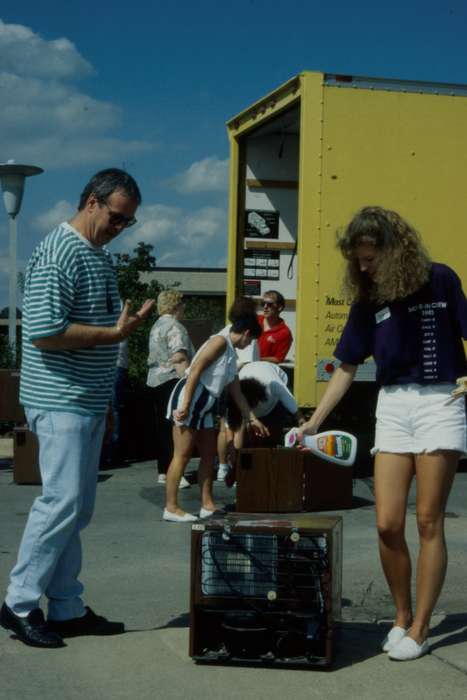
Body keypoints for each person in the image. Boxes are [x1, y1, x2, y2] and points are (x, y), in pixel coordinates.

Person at [298, 206, 467, 661]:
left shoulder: (442, 279)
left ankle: (421, 626)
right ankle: (401, 615)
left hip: (440, 402)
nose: (362, 267)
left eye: (370, 258)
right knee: (386, 523)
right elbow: (347, 366)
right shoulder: (368, 298)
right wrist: (315, 420)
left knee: (429, 521)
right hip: (392, 405)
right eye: (358, 260)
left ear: (395, 250)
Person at [0, 169, 155, 649]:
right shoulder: (58, 252)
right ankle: (19, 602)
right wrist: (114, 335)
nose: (120, 227)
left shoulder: (98, 256)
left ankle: (65, 605)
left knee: (77, 507)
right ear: (91, 201)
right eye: (116, 217)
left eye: (128, 222)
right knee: (62, 502)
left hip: (85, 400)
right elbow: (46, 331)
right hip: (59, 399)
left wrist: (104, 400)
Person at [163, 306, 269, 523]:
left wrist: (252, 418)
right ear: (247, 333)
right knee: (182, 455)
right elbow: (195, 370)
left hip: (207, 404)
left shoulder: (230, 350)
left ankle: (207, 505)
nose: (249, 345)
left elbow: (236, 391)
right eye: (250, 341)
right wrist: (185, 404)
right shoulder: (219, 342)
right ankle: (171, 507)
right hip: (193, 397)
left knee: (209, 455)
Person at [146, 290, 195, 488]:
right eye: (182, 304)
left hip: (154, 379)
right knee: (178, 427)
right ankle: (176, 472)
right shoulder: (176, 327)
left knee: (162, 427)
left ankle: (163, 470)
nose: (184, 308)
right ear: (176, 305)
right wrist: (188, 382)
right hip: (173, 379)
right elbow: (179, 357)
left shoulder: (156, 326)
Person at [257, 290, 293, 363]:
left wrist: (255, 359)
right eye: (263, 303)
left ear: (279, 307)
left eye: (269, 304)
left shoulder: (284, 333)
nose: (265, 307)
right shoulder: (254, 320)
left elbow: (278, 359)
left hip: (264, 370)